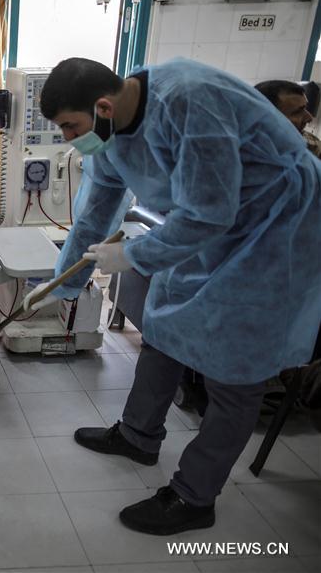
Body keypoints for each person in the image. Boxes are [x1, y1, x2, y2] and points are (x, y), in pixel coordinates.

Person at [26, 57, 321, 535]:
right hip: (206, 224)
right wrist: (63, 282)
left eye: (68, 127)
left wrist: (135, 255)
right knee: (164, 324)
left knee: (235, 370)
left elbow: (210, 213)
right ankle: (138, 435)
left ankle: (194, 496)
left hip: (277, 229)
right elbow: (96, 212)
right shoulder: (109, 133)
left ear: (102, 107)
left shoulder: (188, 100)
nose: (67, 140)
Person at [255, 79, 321, 157]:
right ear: (266, 118)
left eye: (305, 108)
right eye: (297, 112)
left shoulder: (311, 144)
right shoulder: (242, 152)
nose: (309, 118)